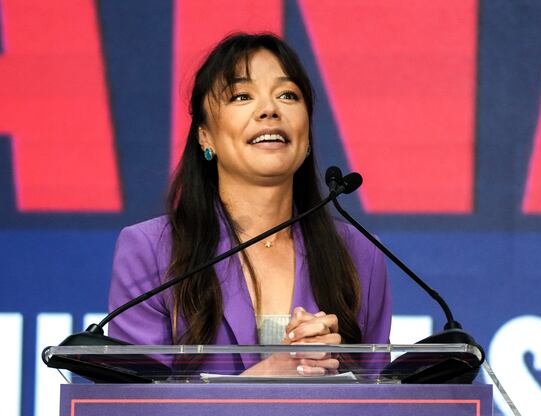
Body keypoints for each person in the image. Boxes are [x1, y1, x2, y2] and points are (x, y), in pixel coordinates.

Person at [107, 33, 391, 376]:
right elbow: (133, 404)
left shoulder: (360, 255)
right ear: (205, 136)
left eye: (288, 95)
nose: (270, 109)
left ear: (307, 135)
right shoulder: (151, 250)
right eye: (241, 96)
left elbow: (379, 399)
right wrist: (269, 376)